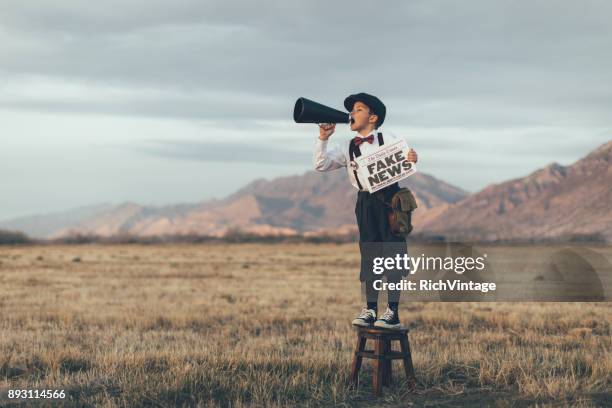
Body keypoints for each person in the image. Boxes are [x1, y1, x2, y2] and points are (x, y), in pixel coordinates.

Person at [313, 92, 418, 329]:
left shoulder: (389, 137)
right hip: (365, 203)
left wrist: (412, 157)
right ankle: (370, 309)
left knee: (393, 255)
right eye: (352, 110)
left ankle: (392, 311)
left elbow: (408, 160)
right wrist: (323, 138)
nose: (352, 113)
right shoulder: (348, 145)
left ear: (373, 117)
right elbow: (320, 165)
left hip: (391, 200)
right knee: (369, 255)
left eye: (358, 109)